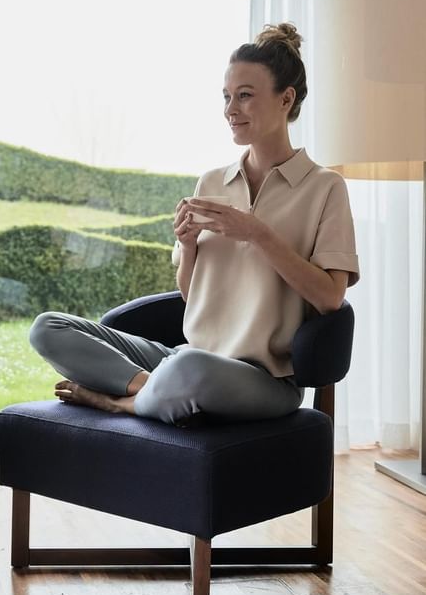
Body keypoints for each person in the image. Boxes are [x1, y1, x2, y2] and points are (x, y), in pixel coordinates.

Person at [28, 22, 360, 425]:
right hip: (184, 358)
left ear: (285, 99)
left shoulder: (324, 188)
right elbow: (193, 296)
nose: (230, 110)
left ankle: (120, 401)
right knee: (48, 328)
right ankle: (153, 388)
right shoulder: (212, 182)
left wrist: (257, 234)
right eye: (226, 97)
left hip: (265, 379)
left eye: (245, 96)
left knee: (190, 372)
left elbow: (329, 298)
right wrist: (187, 246)